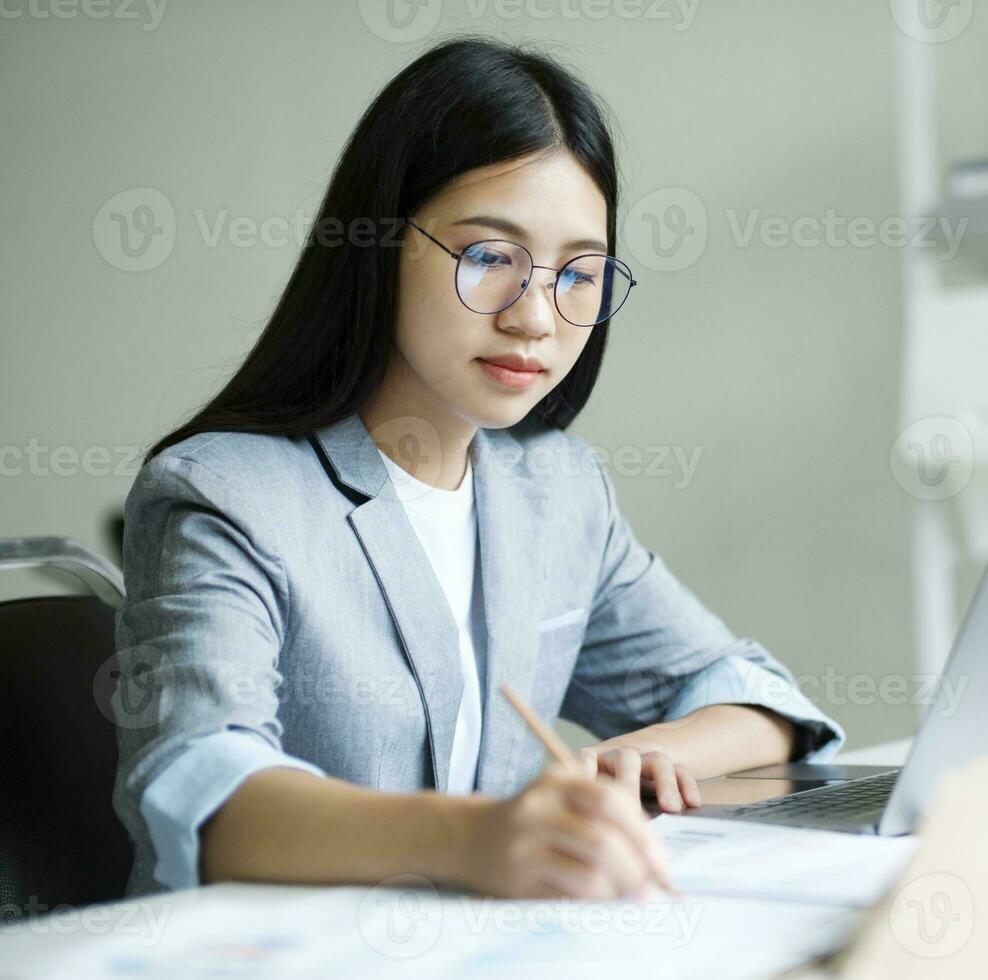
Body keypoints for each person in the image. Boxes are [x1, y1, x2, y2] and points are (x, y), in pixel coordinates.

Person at [112, 37, 842, 901]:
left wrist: (654, 754)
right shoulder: (225, 496)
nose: (536, 316)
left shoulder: (557, 491)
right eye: (490, 257)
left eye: (579, 273)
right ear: (380, 244)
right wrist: (481, 835)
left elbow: (759, 699)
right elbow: (206, 793)